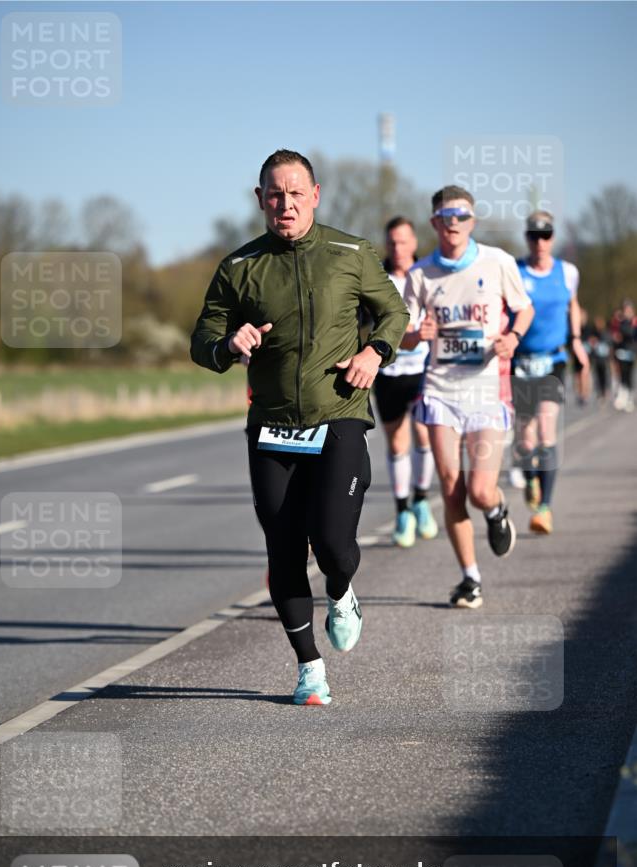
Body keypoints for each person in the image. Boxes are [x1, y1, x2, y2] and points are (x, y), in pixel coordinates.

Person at [191, 150, 409, 705]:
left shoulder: (350, 252)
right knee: (283, 550)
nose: (284, 204)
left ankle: (341, 591)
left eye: (294, 193)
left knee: (334, 543)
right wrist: (227, 344)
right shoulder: (239, 267)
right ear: (259, 199)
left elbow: (394, 312)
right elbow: (203, 340)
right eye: (273, 194)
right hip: (271, 427)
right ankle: (310, 667)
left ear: (315, 194)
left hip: (338, 415)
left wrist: (375, 352)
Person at [403, 185, 533, 609]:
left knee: (479, 489)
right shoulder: (420, 274)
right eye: (446, 216)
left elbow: (523, 308)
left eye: (462, 216)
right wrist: (413, 334)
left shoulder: (497, 261)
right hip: (440, 390)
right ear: (435, 223)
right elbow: (401, 337)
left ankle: (495, 511)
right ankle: (470, 578)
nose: (454, 223)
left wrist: (512, 337)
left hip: (486, 389)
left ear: (472, 221)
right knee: (451, 487)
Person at [511, 211, 589, 535]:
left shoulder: (567, 272)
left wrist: (576, 340)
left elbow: (572, 304)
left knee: (546, 431)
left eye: (545, 235)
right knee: (525, 440)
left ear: (552, 237)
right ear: (527, 238)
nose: (539, 241)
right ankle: (531, 479)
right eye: (533, 235)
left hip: (553, 360)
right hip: (520, 360)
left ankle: (544, 509)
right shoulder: (514, 271)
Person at [371, 216, 438, 547]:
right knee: (398, 444)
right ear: (387, 245)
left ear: (414, 242)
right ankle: (402, 512)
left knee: (424, 437)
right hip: (388, 372)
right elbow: (366, 326)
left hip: (424, 370)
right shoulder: (376, 280)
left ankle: (421, 500)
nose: (398, 248)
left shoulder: (428, 274)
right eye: (392, 242)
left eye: (403, 241)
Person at [613, 299, 635, 412]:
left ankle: (630, 398)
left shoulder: (634, 322)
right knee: (622, 375)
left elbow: (631, 334)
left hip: (630, 352)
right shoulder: (620, 322)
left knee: (629, 375)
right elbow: (615, 334)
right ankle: (622, 396)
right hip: (621, 352)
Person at [587, 315, 612, 405]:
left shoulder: (606, 333)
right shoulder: (593, 333)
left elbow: (609, 345)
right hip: (596, 358)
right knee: (597, 376)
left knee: (605, 376)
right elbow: (590, 344)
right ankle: (599, 393)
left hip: (604, 359)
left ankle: (606, 391)